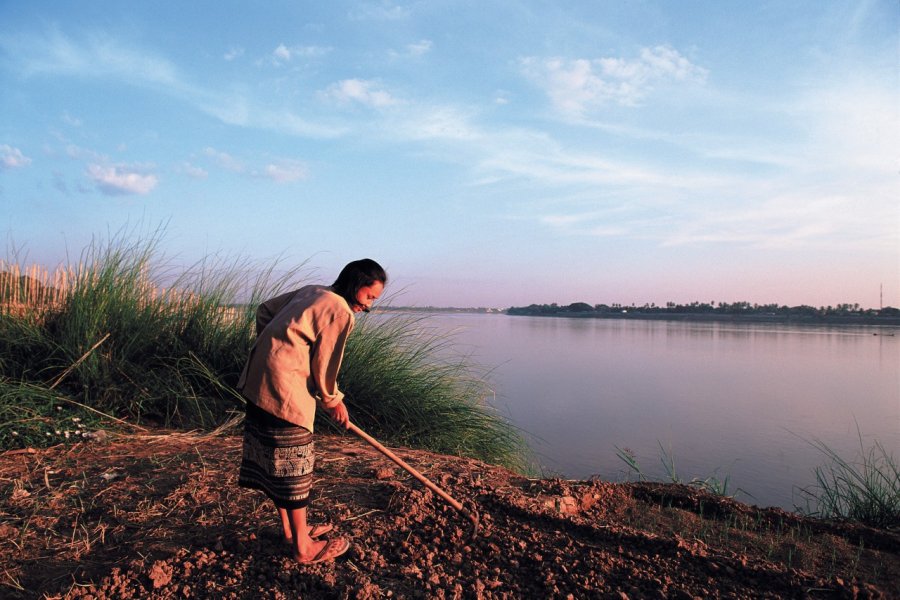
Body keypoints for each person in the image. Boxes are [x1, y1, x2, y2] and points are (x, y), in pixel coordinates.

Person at [237, 258, 386, 565]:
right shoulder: (340, 310)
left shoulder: (313, 290)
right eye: (369, 297)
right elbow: (327, 362)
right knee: (294, 463)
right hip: (282, 387)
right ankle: (303, 547)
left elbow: (264, 310)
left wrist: (276, 349)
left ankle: (294, 532)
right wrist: (333, 400)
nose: (369, 306)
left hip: (259, 377)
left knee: (277, 458)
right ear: (356, 286)